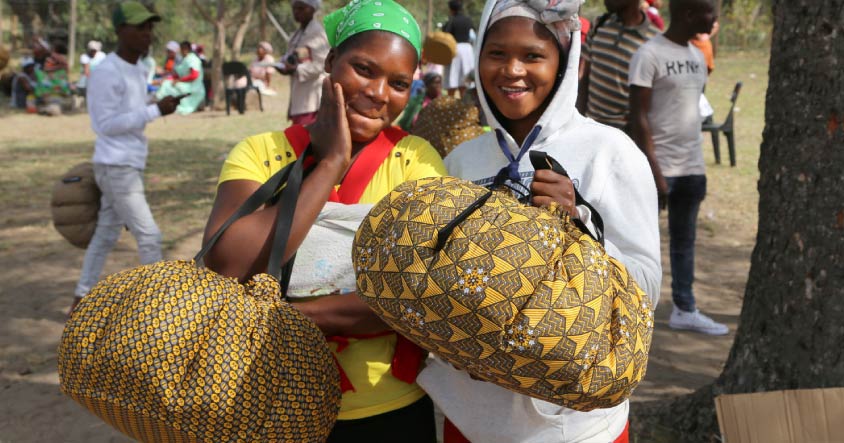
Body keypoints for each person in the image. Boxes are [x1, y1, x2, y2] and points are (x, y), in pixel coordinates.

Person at [414, 0, 662, 442]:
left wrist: (580, 224)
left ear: (566, 64)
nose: (512, 70)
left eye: (532, 55)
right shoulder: (461, 160)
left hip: (574, 424)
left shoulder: (609, 152)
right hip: (471, 417)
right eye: (496, 53)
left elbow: (647, 289)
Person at [202, 0, 445, 441]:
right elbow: (228, 263)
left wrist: (283, 319)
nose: (377, 92)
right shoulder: (261, 152)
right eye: (364, 69)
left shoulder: (416, 161)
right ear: (331, 62)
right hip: (265, 400)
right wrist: (331, 162)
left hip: (385, 406)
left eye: (398, 83)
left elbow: (415, 294)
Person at [71, 1, 181, 314]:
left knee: (106, 234)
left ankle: (80, 297)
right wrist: (154, 110)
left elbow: (129, 110)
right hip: (116, 164)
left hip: (126, 162)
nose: (147, 33)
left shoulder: (137, 67)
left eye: (149, 27)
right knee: (149, 235)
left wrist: (158, 103)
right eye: (140, 27)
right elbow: (103, 124)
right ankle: (158, 308)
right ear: (120, 31)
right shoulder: (106, 71)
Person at [629, 0, 726, 335]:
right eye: (709, 12)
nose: (714, 20)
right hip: (657, 169)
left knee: (685, 242)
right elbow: (637, 117)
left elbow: (689, 111)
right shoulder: (648, 55)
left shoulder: (698, 56)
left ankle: (684, 309)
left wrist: (698, 166)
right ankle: (631, 311)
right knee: (641, 244)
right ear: (687, 13)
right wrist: (654, 170)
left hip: (691, 168)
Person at [576, 0, 659, 132]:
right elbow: (584, 78)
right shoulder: (599, 24)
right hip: (590, 127)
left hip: (624, 134)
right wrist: (578, 120)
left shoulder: (653, 40)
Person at [275, 0, 330, 126]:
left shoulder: (317, 33)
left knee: (304, 139)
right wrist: (284, 67)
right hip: (299, 96)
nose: (296, 12)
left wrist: (296, 70)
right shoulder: (297, 34)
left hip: (311, 100)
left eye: (301, 8)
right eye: (294, 8)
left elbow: (322, 65)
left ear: (312, 9)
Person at [154, 40, 205, 114]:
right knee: (166, 83)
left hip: (193, 87)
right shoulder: (185, 59)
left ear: (185, 49)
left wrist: (179, 80)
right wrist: (168, 78)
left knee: (167, 85)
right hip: (185, 83)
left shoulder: (192, 59)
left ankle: (159, 102)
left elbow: (194, 75)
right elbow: (178, 74)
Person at [442, 0, 475, 97]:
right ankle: (464, 103)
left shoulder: (451, 20)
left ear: (451, 9)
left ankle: (450, 103)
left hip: (455, 49)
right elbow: (473, 34)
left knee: (452, 78)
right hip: (467, 50)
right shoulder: (468, 20)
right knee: (465, 79)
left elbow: (445, 34)